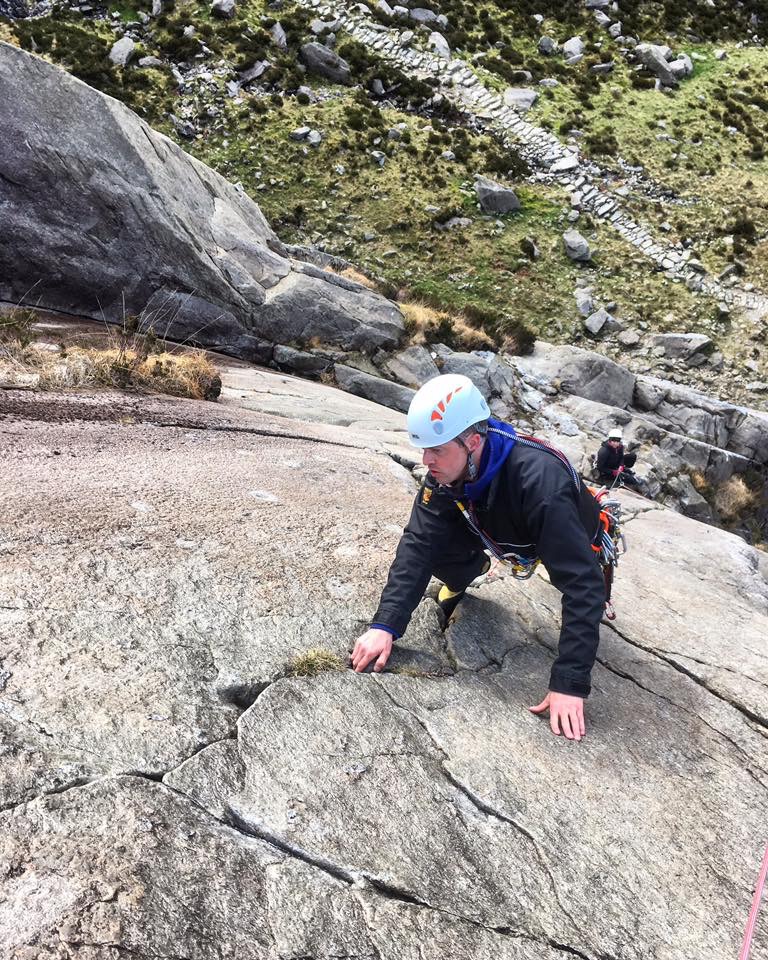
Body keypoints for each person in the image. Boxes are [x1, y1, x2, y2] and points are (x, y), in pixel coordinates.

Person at [350, 374, 607, 742]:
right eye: (424, 450)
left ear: (473, 441)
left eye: (436, 450)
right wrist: (385, 625)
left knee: (588, 585)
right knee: (435, 550)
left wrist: (570, 683)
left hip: (558, 529)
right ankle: (471, 569)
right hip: (492, 522)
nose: (426, 461)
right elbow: (418, 546)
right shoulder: (446, 474)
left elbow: (582, 585)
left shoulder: (540, 482)